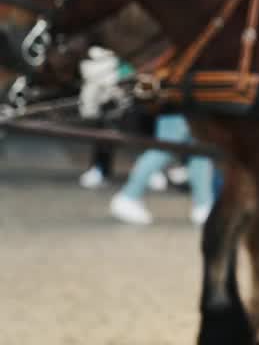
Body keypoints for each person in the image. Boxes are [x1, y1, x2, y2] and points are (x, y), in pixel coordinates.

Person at [76, 47, 215, 225]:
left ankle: (203, 204)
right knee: (167, 148)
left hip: (184, 97)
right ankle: (129, 195)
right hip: (180, 98)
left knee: (199, 150)